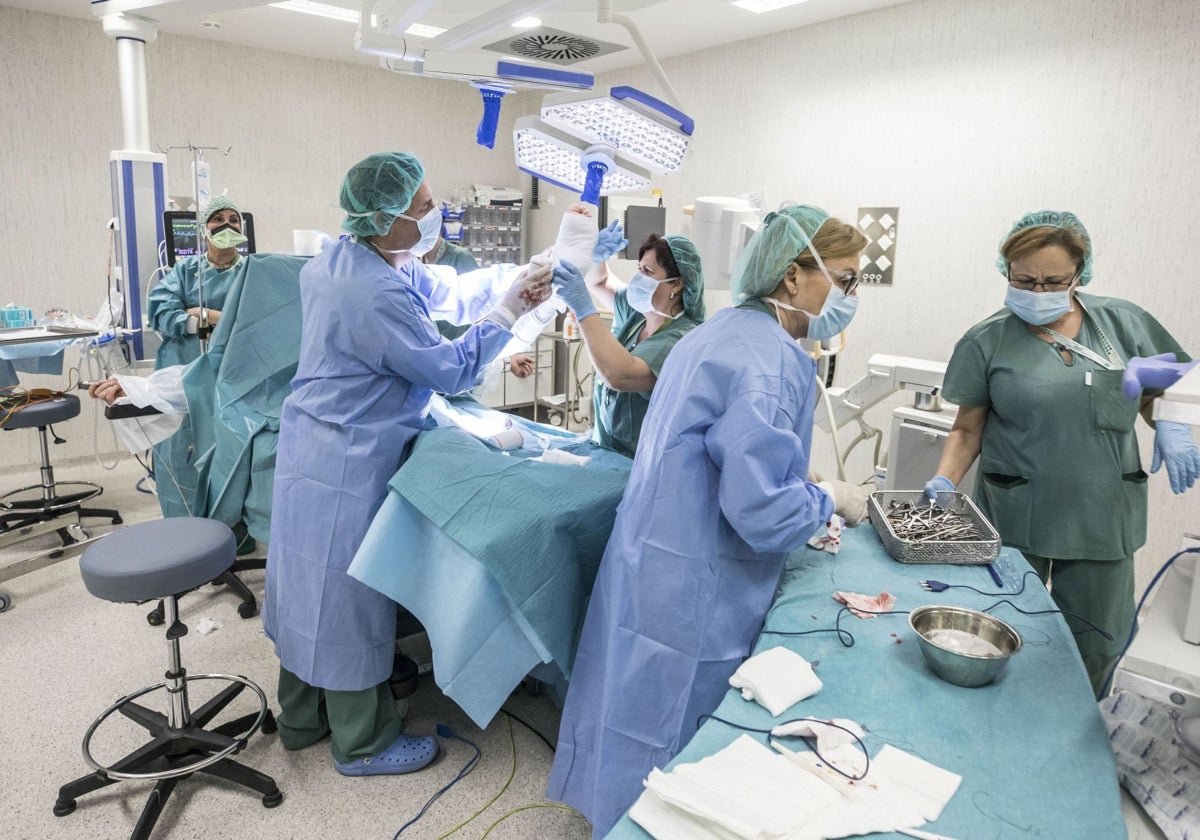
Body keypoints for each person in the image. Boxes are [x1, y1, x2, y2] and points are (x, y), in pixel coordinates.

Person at [546, 205, 872, 836]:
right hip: (698, 578)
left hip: (651, 554)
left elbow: (720, 446)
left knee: (628, 701)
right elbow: (762, 513)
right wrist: (829, 498)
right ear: (793, 278)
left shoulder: (716, 331)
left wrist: (796, 478)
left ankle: (611, 814)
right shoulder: (776, 360)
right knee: (676, 728)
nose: (851, 295)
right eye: (845, 278)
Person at [261, 152, 551, 777]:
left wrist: (511, 281)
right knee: (344, 598)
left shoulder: (343, 260)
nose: (433, 216)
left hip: (311, 445)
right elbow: (447, 369)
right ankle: (361, 743)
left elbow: (436, 288)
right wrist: (508, 315)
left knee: (305, 587)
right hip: (348, 456)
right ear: (386, 217)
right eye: (422, 209)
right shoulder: (372, 292)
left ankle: (303, 718)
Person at [924, 210, 1199, 697]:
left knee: (1098, 641)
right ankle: (1002, 722)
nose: (1037, 292)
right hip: (1016, 513)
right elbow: (968, 427)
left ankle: (1079, 733)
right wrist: (944, 480)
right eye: (1024, 279)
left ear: (1080, 273)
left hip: (1101, 517)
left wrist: (1171, 423)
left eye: (1054, 282)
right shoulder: (987, 340)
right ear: (1004, 270)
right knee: (1002, 629)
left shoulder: (1124, 324)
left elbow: (1164, 392)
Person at [553, 210, 706, 458]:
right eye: (639, 268)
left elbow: (620, 374)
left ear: (677, 284)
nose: (638, 278)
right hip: (607, 451)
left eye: (648, 272)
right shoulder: (638, 314)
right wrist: (595, 255)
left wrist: (582, 308)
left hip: (642, 463)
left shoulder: (682, 337)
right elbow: (600, 282)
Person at [147, 195, 248, 369]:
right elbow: (161, 311)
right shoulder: (186, 270)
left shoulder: (250, 271)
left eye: (234, 219)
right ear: (203, 229)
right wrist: (195, 325)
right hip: (181, 368)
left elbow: (253, 322)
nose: (227, 224)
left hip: (233, 368)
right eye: (218, 219)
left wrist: (203, 313)